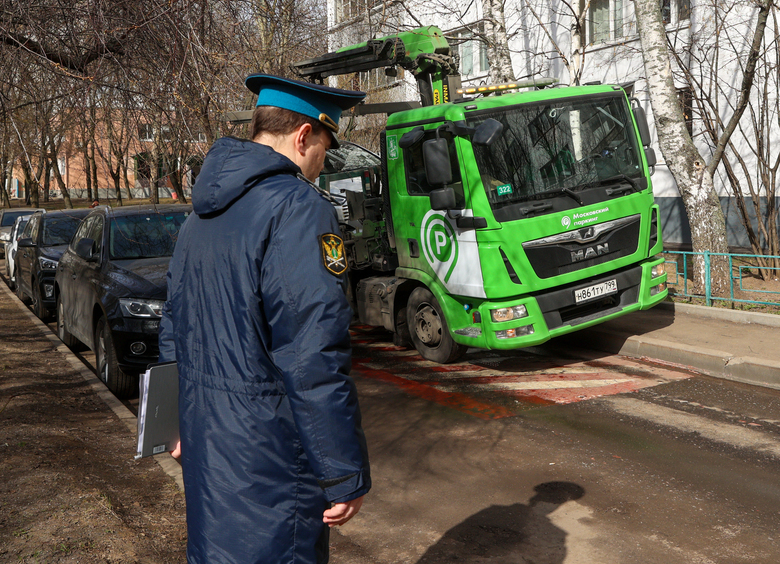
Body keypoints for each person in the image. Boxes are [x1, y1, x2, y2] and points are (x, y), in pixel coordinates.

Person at [158, 74, 371, 564]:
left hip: (208, 447)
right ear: (303, 136)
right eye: (325, 148)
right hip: (271, 460)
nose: (322, 164)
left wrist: (175, 423)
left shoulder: (200, 215)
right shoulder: (298, 208)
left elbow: (175, 322)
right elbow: (311, 350)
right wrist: (343, 471)